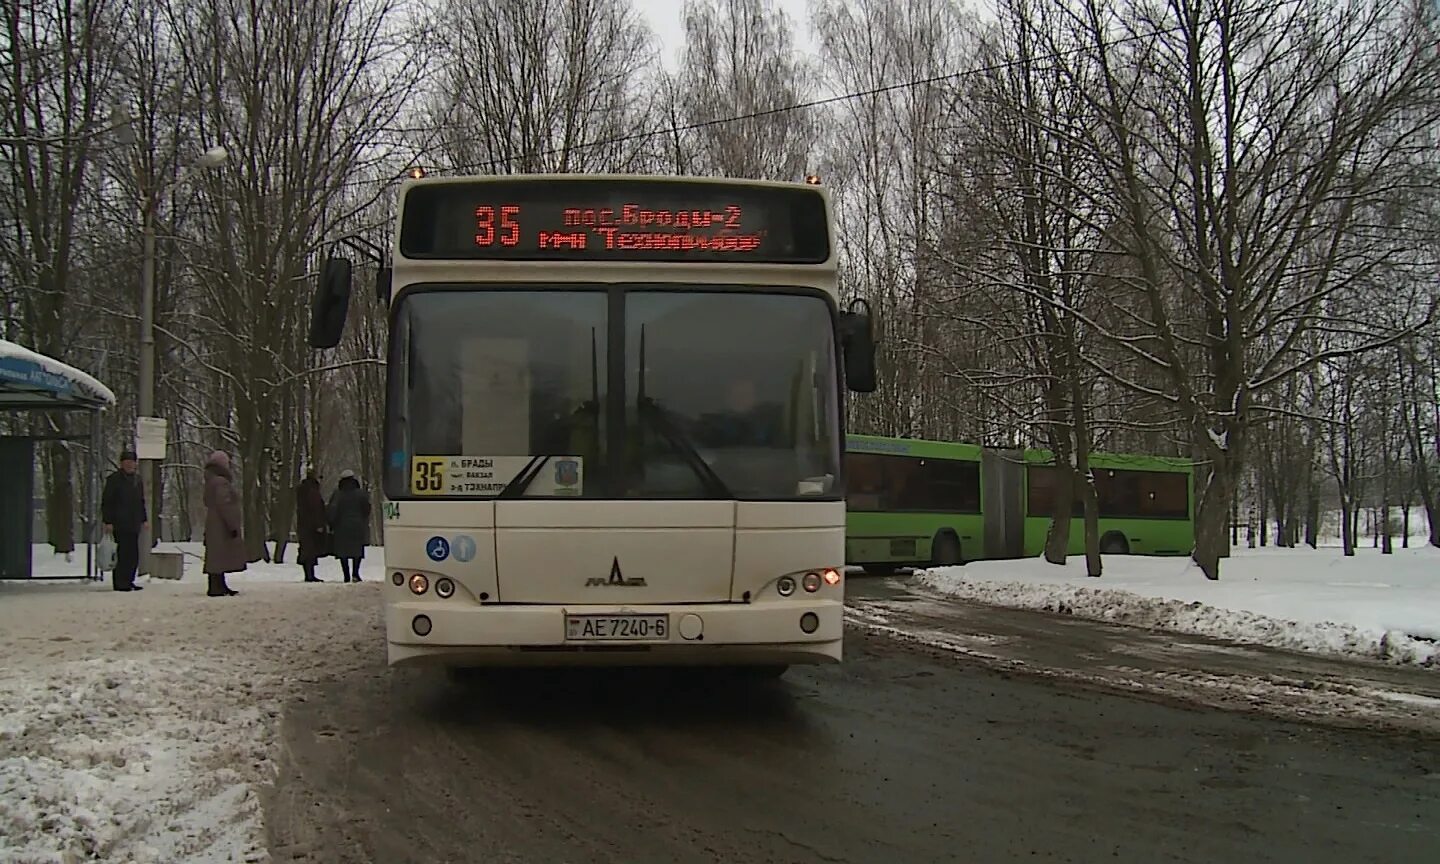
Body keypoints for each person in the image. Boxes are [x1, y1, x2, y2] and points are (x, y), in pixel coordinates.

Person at [101, 449, 148, 592]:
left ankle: (129, 579)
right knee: (122, 553)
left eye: (132, 462)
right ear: (122, 463)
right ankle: (120, 582)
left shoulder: (137, 480)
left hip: (133, 523)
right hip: (119, 522)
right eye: (127, 462)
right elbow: (107, 502)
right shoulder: (114, 480)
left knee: (133, 554)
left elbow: (140, 501)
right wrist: (108, 521)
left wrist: (144, 519)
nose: (130, 465)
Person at [202, 449, 246, 597]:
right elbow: (225, 504)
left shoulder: (211, 480)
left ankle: (218, 584)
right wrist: (233, 525)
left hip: (213, 522)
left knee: (216, 555)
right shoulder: (221, 482)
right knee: (219, 555)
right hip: (221, 524)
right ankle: (216, 587)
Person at [328, 469, 371, 583]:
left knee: (343, 552)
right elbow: (367, 509)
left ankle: (346, 575)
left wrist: (331, 523)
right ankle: (355, 573)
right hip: (357, 526)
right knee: (357, 551)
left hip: (341, 527)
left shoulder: (338, 494)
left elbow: (332, 509)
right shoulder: (360, 493)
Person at [294, 469, 328, 583]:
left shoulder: (302, 489)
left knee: (305, 549)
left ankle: (308, 574)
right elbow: (316, 509)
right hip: (311, 525)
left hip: (303, 524)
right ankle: (310, 575)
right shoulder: (312, 491)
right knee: (310, 550)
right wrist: (319, 524)